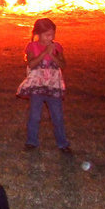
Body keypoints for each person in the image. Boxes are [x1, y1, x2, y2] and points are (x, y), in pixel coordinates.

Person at [16, 18, 70, 152]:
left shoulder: (57, 47)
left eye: (53, 34)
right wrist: (45, 52)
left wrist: (52, 55)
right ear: (38, 34)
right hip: (37, 86)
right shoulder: (32, 46)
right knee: (35, 115)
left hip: (53, 86)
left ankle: (63, 143)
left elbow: (63, 65)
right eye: (47, 35)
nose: (51, 37)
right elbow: (31, 64)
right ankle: (31, 141)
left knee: (57, 116)